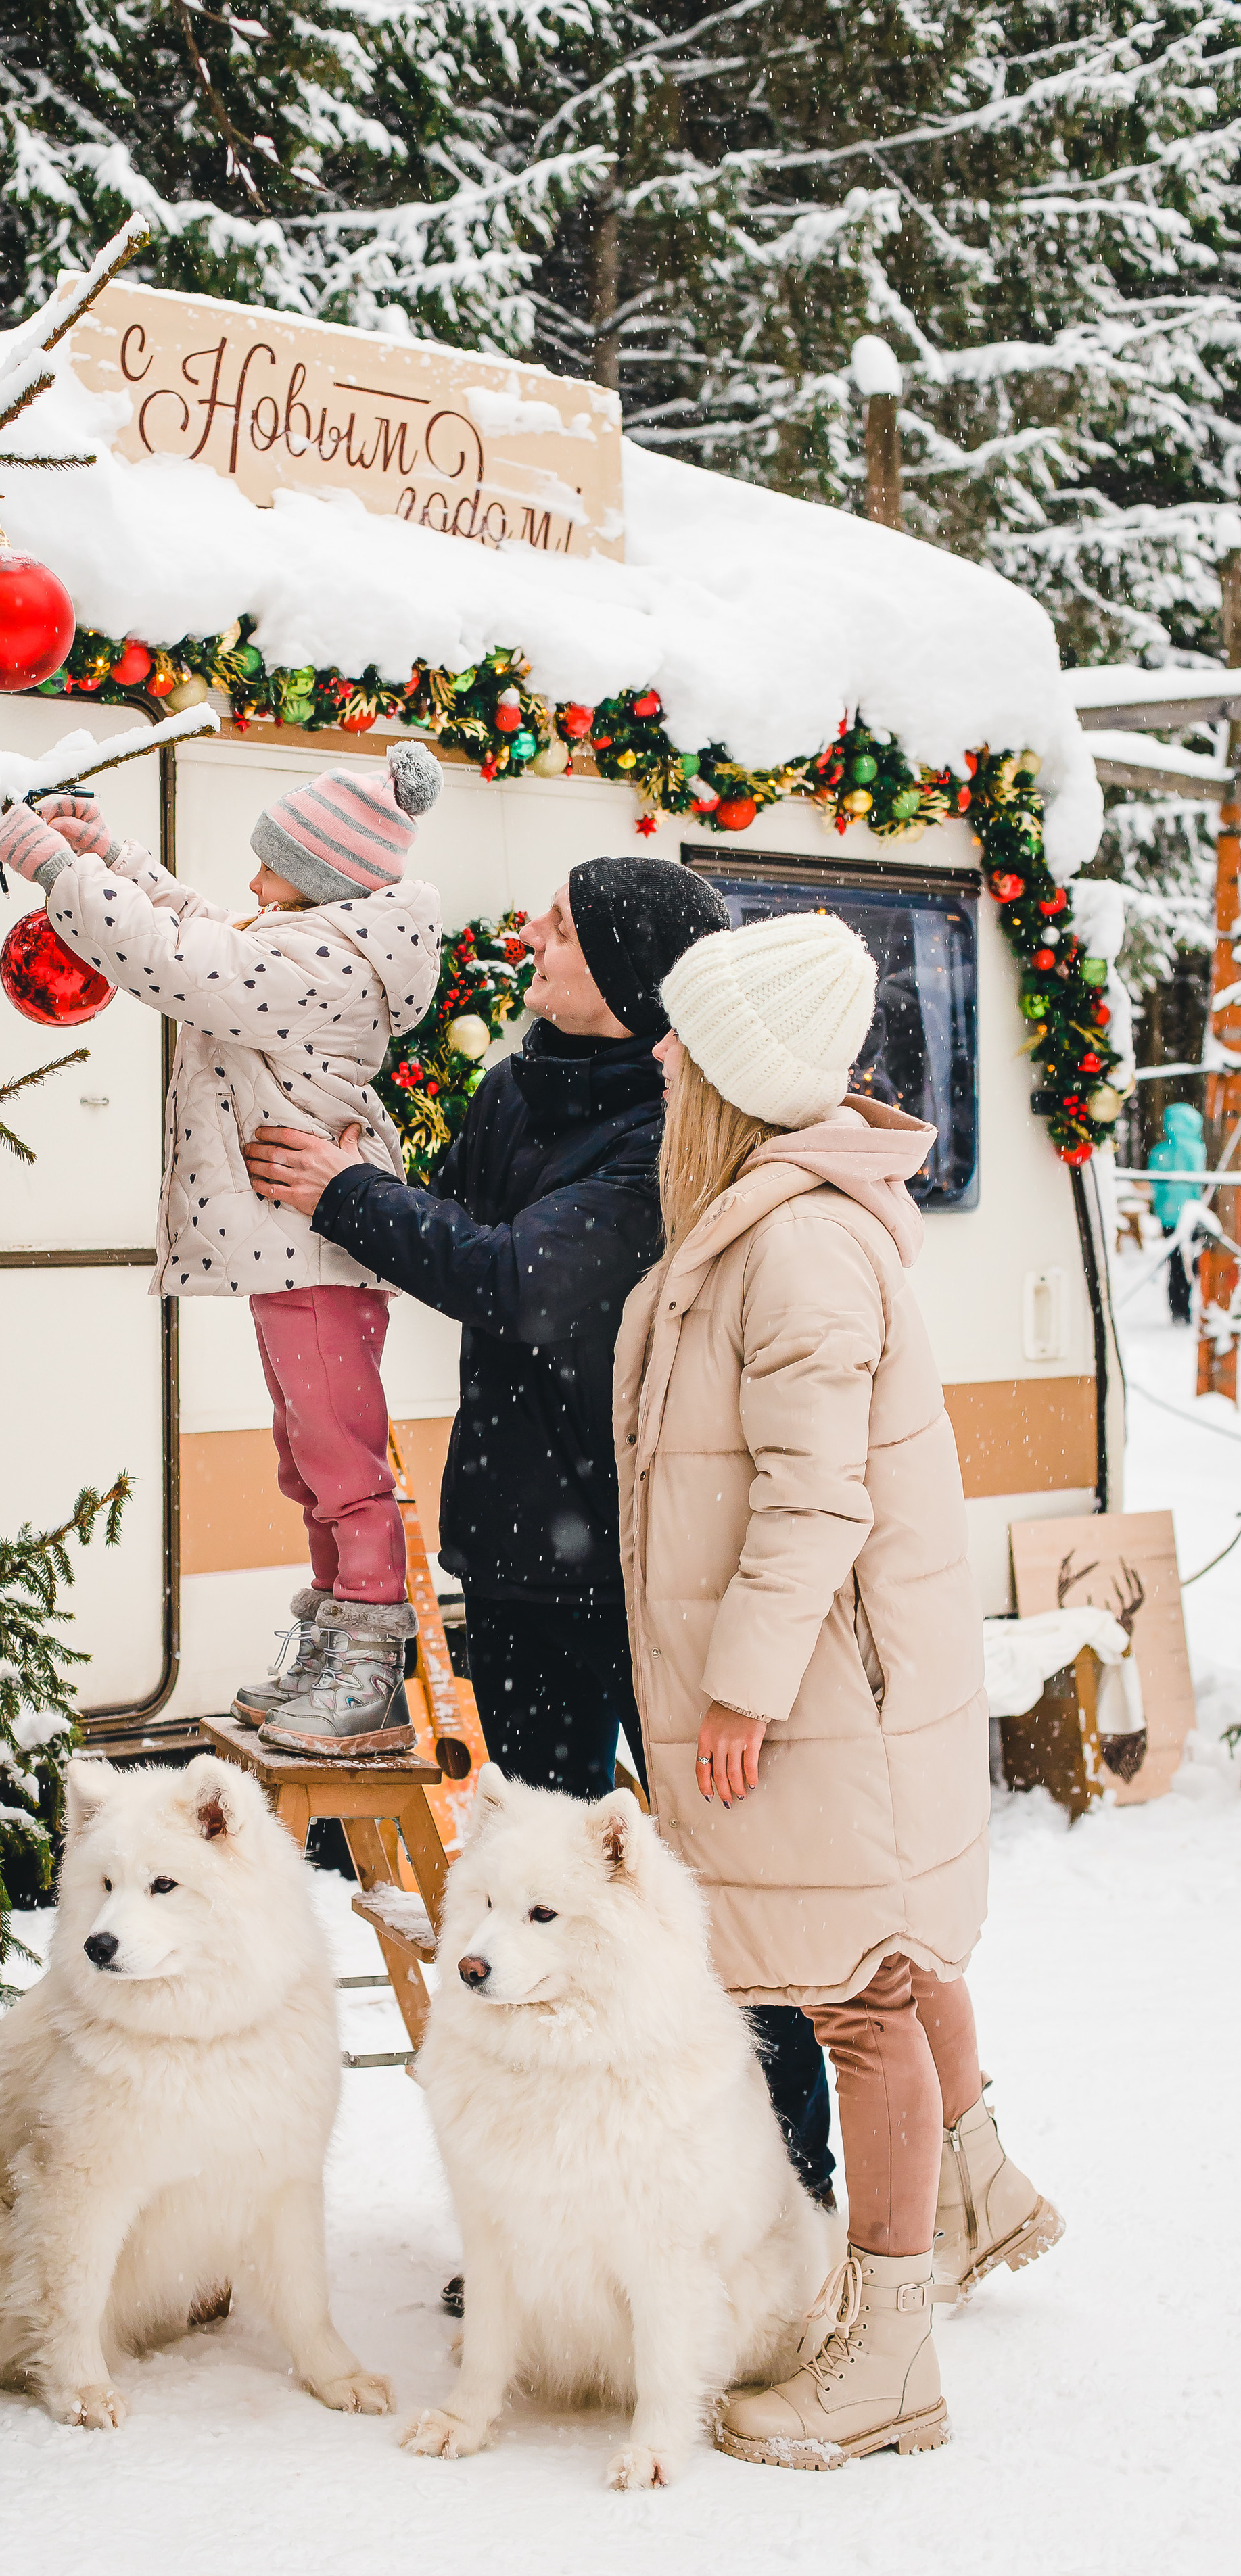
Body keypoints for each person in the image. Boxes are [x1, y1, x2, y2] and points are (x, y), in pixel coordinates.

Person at [244, 856, 834, 2207]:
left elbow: (517, 1281)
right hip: (514, 1562)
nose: (525, 932)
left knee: (715, 1894)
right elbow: (447, 1233)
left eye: (556, 924)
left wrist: (341, 1192)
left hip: (646, 1571)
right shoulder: (516, 1091)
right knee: (532, 1903)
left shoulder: (669, 1126)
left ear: (626, 977)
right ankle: (556, 2206)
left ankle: (785, 2194)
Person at [615, 911, 1063, 2471]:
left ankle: (884, 2366)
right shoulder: (779, 1213)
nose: (656, 1053)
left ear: (737, 1065)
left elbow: (809, 1503)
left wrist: (734, 1690)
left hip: (819, 1690)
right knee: (896, 1944)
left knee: (853, 1994)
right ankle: (973, 2193)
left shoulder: (793, 1239)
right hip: (851, 1681)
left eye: (680, 1033)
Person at [0, 744, 442, 1755]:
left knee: (341, 1459)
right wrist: (113, 856)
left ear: (325, 877)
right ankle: (333, 1643)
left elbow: (186, 965)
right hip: (293, 1250)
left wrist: (64, 877)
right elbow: (205, 927)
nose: (252, 879)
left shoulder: (324, 963)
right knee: (307, 1454)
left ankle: (366, 1663)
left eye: (272, 862)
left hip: (316, 1252)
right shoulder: (311, 938)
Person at [1148, 1099, 1205, 1323]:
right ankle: (1189, 1308)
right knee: (1192, 1263)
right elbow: (1197, 1185)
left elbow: (1156, 1186)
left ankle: (1178, 1310)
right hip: (1191, 1216)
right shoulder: (1195, 1149)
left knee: (1176, 1264)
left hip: (1169, 1217)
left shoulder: (1159, 1151)